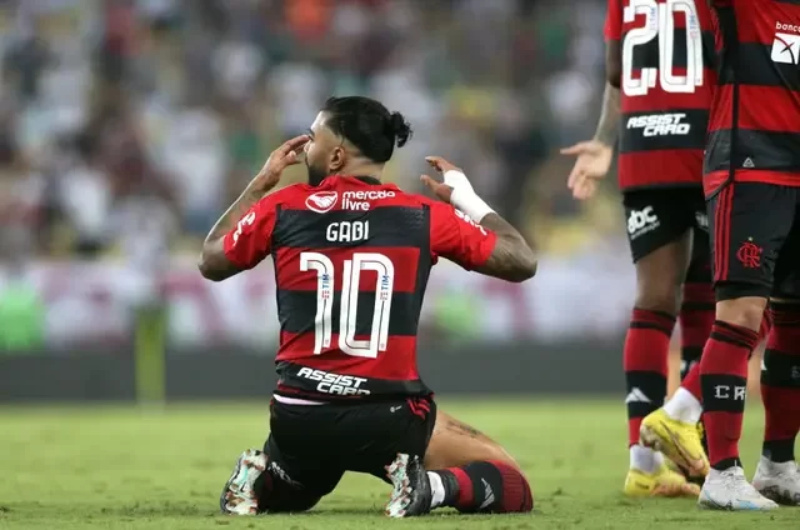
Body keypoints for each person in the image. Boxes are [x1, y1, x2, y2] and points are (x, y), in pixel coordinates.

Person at [198, 96, 536, 517]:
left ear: (337, 155)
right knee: (510, 483)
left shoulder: (282, 207)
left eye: (314, 138)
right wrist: (467, 199)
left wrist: (261, 183)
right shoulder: (421, 216)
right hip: (387, 418)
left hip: (300, 417)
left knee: (299, 490)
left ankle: (259, 478)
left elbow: (211, 260)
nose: (306, 148)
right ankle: (429, 488)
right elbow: (522, 260)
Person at [561, 0, 718, 497]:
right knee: (715, 295)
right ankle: (691, 432)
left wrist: (603, 140)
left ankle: (644, 462)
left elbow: (616, 70)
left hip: (644, 148)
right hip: (708, 143)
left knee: (654, 298)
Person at [688, 0, 800, 511]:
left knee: (793, 322)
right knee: (740, 316)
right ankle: (722, 472)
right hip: (749, 169)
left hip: (795, 174)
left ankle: (777, 465)